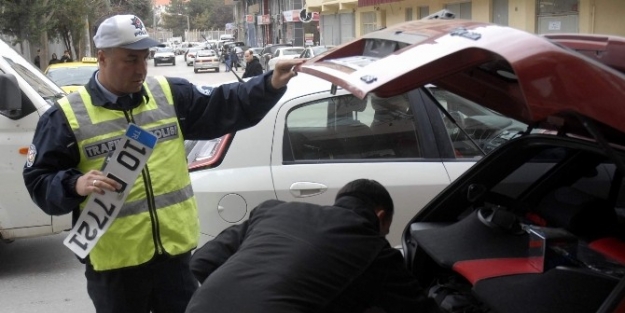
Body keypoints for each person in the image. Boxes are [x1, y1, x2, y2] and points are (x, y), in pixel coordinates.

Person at [22, 14, 303, 313]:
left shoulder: (169, 95)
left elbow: (225, 103)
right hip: (115, 267)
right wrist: (74, 184)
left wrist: (270, 83)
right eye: (131, 59)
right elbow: (39, 180)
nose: (141, 69)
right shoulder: (66, 116)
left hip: (174, 259)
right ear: (102, 58)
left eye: (145, 58)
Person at [186, 179, 437, 313]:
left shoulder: (273, 210)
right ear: (380, 217)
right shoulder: (373, 248)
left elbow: (201, 262)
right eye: (386, 230)